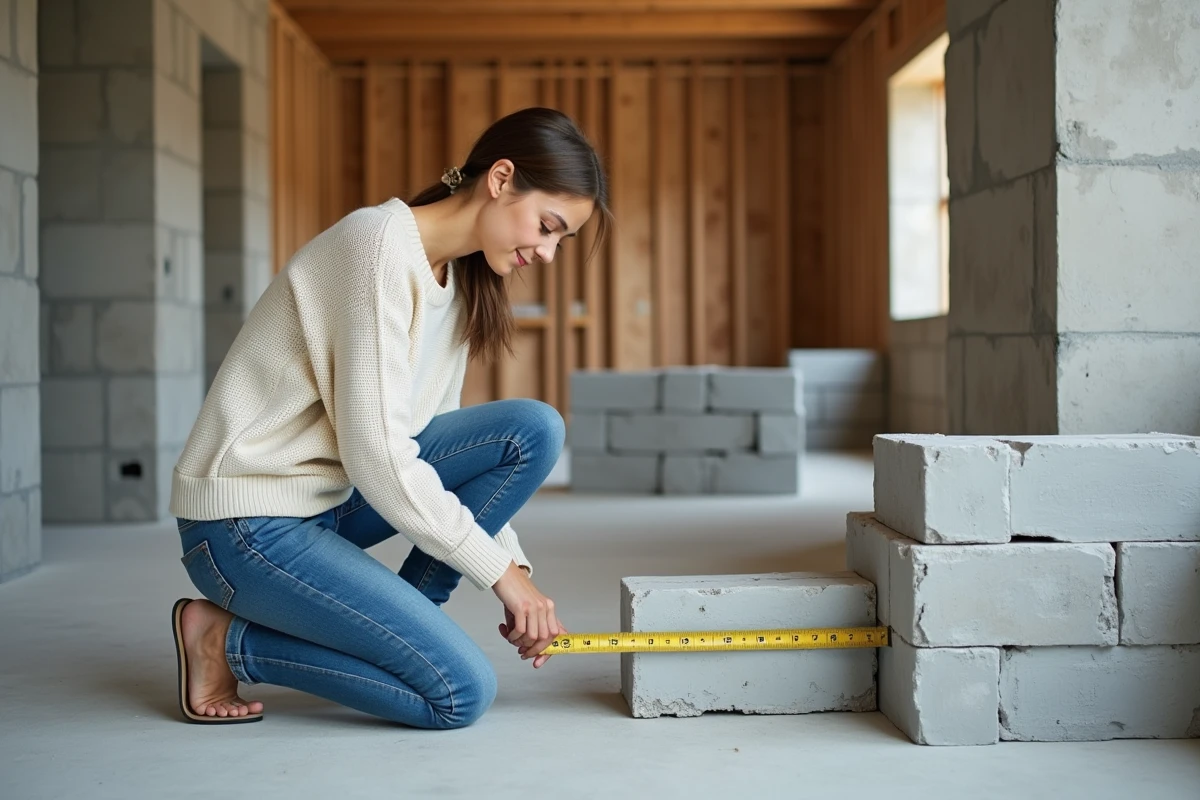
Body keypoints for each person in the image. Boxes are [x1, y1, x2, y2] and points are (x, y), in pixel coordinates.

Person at [168, 106, 611, 727]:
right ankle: (223, 638)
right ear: (502, 178)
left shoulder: (461, 279)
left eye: (560, 240)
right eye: (547, 226)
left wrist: (514, 564)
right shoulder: (375, 246)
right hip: (248, 524)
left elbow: (434, 449)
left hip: (326, 501)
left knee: (532, 429)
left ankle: (410, 623)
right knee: (457, 694)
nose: (547, 253)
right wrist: (499, 576)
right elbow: (378, 453)